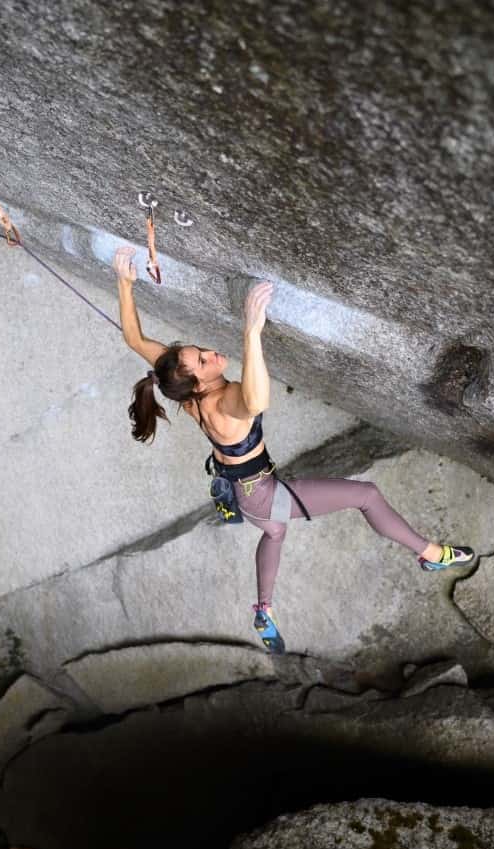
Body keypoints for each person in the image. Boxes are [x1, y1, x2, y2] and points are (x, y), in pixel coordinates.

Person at [115, 246, 474, 653]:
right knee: (366, 496)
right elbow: (256, 400)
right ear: (197, 381)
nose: (210, 354)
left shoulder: (179, 387)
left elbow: (133, 337)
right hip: (261, 493)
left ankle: (264, 609)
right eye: (203, 360)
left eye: (199, 351)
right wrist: (251, 331)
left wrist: (125, 284)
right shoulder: (222, 403)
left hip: (243, 491)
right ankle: (432, 555)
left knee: (275, 531)